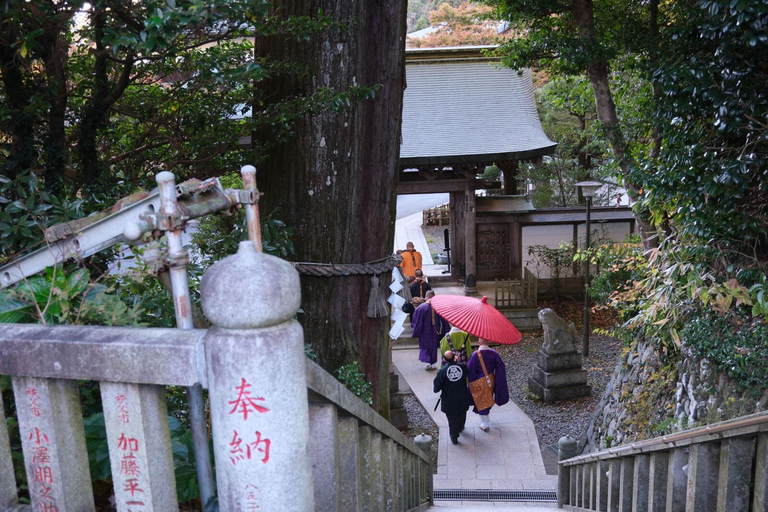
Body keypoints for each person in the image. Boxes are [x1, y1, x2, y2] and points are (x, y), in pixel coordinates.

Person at [466, 338, 509, 432]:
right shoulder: (494, 353)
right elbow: (500, 367)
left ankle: (485, 423)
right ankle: (486, 419)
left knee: (482, 401)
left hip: (479, 380)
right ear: (488, 342)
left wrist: (471, 382)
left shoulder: (475, 355)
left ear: (479, 343)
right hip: (491, 380)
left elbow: (470, 369)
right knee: (488, 398)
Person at [433, 350, 470, 445]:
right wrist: (457, 363)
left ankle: (454, 436)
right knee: (462, 414)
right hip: (462, 397)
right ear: (454, 357)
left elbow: (436, 388)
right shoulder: (462, 367)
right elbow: (466, 374)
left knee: (452, 419)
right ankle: (460, 427)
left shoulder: (442, 371)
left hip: (449, 399)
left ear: (444, 360)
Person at [411, 291, 449, 370]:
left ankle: (427, 363)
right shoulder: (438, 307)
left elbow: (417, 321)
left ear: (426, 296)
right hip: (435, 331)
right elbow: (444, 321)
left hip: (424, 331)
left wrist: (416, 330)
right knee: (433, 347)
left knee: (425, 346)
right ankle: (432, 363)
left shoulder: (421, 307)